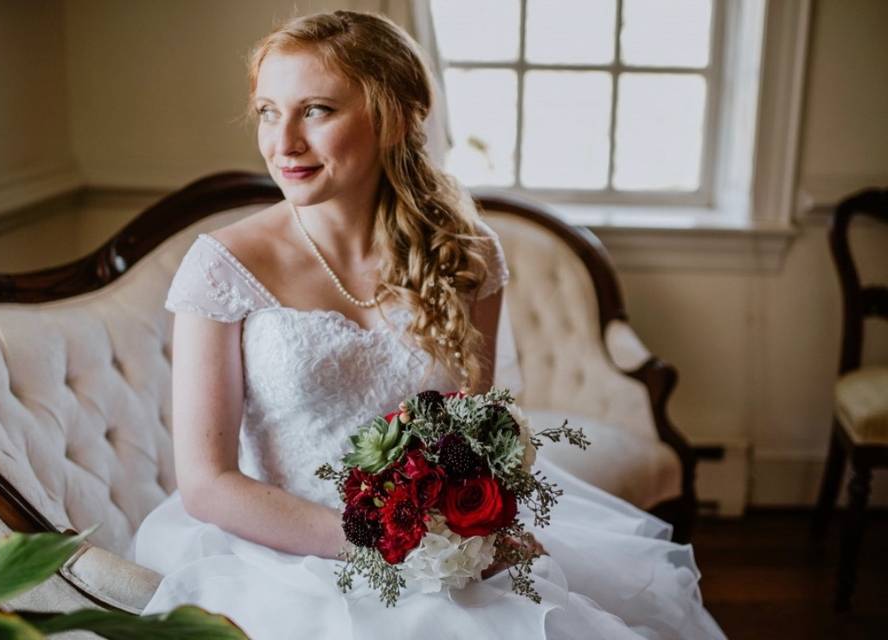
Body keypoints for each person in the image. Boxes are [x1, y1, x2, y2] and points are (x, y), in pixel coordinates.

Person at [132, 10, 726, 639]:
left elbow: (476, 433)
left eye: (317, 110)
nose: (284, 144)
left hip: (437, 553)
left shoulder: (467, 255)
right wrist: (383, 545)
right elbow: (207, 483)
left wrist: (462, 537)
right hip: (278, 558)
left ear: (393, 117)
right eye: (268, 112)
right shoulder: (222, 266)